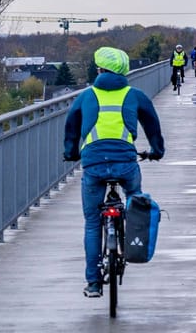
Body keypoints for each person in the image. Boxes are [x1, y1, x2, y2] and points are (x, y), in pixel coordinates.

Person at [63, 46, 165, 298]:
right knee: (134, 199)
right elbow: (152, 123)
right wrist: (156, 150)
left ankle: (94, 282)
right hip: (126, 163)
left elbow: (71, 127)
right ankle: (133, 240)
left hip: (94, 164)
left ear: (99, 70)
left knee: (92, 223)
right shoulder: (135, 95)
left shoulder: (86, 96)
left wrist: (71, 152)